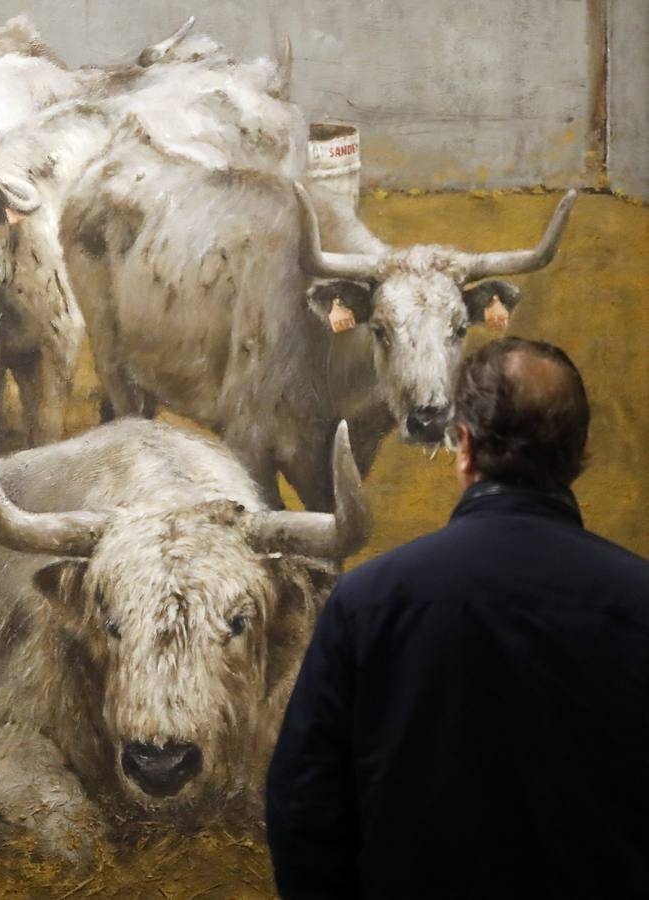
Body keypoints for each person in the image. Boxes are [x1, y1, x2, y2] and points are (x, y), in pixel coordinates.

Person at [265, 337, 649, 900]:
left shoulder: (365, 602)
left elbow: (303, 808)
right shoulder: (639, 603)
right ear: (577, 453)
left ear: (463, 446)